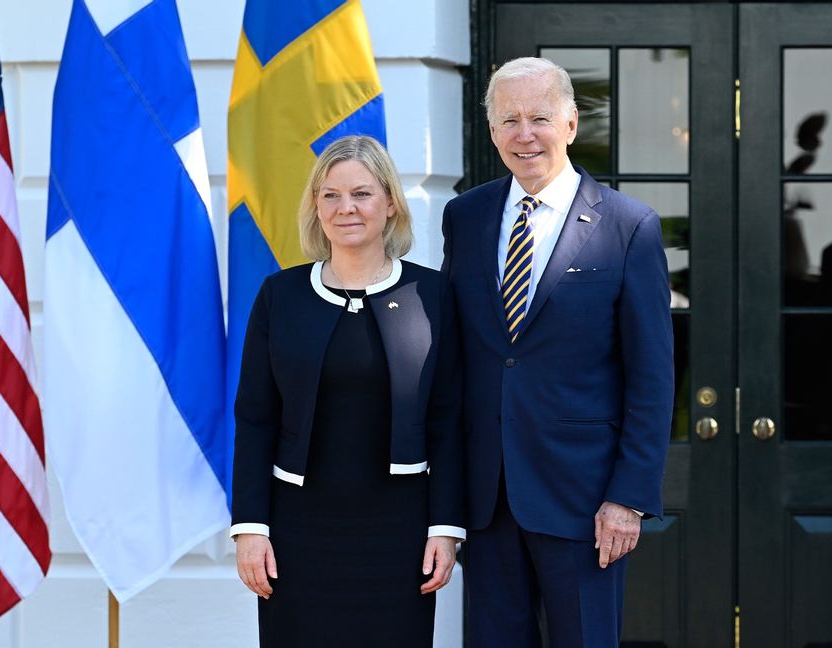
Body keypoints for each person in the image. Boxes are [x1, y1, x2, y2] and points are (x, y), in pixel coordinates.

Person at [441, 57, 674, 647]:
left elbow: (651, 375)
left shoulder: (628, 227)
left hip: (586, 501)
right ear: (491, 131)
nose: (525, 135)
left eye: (539, 118)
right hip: (488, 499)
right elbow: (456, 359)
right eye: (509, 120)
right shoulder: (465, 218)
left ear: (571, 124)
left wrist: (629, 497)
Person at [230, 135, 465, 647]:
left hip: (398, 528)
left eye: (360, 193)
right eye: (330, 196)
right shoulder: (280, 296)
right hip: (298, 528)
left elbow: (448, 420)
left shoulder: (433, 295)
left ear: (389, 203)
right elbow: (254, 418)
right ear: (315, 207)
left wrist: (445, 528)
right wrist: (250, 527)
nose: (346, 208)